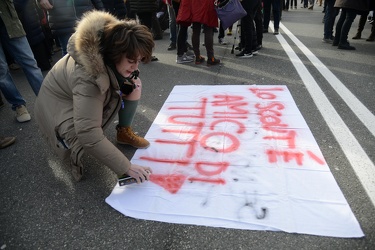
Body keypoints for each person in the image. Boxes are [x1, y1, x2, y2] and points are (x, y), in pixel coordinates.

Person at [34, 10, 154, 182]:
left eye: (139, 60)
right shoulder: (88, 77)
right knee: (84, 131)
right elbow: (88, 132)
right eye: (131, 60)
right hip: (53, 111)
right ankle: (66, 143)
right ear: (115, 54)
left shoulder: (108, 48)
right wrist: (126, 167)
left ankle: (123, 132)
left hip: (70, 95)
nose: (136, 67)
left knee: (134, 84)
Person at [0, 0, 43, 123]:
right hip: (10, 17)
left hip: (10, 20)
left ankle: (46, 99)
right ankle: (18, 105)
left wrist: (15, 7)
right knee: (1, 70)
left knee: (30, 62)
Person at [37, 0, 104, 56]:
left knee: (94, 52)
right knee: (69, 54)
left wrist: (102, 15)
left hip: (85, 18)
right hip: (62, 20)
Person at [177, 0, 221, 66]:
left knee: (196, 29)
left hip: (194, 3)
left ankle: (197, 57)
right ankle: (210, 57)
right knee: (208, 28)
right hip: (208, 3)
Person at [14, 0, 52, 71]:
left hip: (27, 17)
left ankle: (43, 63)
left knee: (35, 41)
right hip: (32, 15)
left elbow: (19, 6)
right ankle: (45, 60)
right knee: (38, 37)